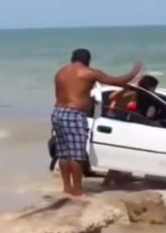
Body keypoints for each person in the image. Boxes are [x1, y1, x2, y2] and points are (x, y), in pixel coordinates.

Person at [52, 48, 143, 196]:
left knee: (64, 154)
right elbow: (115, 81)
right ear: (87, 60)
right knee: (76, 154)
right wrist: (133, 74)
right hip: (74, 114)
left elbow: (69, 91)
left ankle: (67, 188)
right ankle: (77, 189)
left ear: (72, 59)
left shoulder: (61, 72)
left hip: (58, 113)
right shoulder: (88, 72)